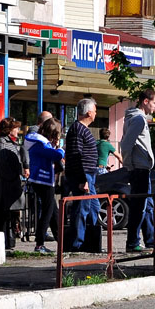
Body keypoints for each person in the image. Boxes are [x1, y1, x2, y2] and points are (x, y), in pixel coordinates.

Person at [121, 90, 155, 252]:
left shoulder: (138, 119)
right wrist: (129, 164)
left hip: (142, 167)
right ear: (145, 101)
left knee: (147, 205)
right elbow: (125, 144)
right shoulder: (138, 120)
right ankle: (132, 242)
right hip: (139, 168)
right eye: (154, 103)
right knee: (140, 206)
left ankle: (150, 240)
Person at [63, 98, 101, 252]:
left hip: (88, 175)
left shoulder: (81, 129)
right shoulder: (78, 129)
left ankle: (90, 241)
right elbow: (75, 154)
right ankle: (77, 243)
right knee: (82, 207)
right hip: (83, 175)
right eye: (95, 111)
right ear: (88, 112)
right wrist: (82, 179)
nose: (96, 113)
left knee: (93, 207)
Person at [24, 118, 64, 254]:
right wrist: (60, 149)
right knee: (47, 213)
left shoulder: (39, 142)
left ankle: (62, 242)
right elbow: (56, 155)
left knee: (54, 212)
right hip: (44, 180)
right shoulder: (40, 143)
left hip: (42, 180)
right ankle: (39, 244)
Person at [0, 118, 26, 251]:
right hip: (3, 186)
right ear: (9, 130)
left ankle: (7, 243)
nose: (18, 130)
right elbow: (1, 165)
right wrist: (13, 176)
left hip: (8, 185)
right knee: (1, 215)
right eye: (15, 128)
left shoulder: (10, 143)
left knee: (7, 215)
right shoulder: (2, 143)